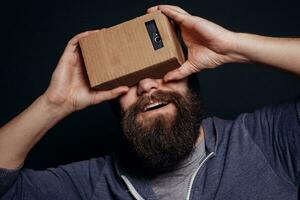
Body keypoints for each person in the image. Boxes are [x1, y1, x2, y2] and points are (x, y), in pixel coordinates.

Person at [0, 4, 299, 200]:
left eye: (161, 70)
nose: (146, 85)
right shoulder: (89, 185)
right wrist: (55, 103)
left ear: (191, 79)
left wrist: (234, 48)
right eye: (127, 80)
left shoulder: (264, 140)